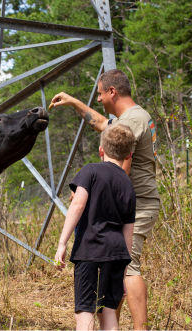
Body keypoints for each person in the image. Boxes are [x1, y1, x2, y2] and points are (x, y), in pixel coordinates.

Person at [51, 69, 160, 330]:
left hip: (136, 203)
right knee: (117, 268)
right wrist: (74, 102)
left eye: (99, 93)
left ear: (112, 91)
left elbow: (123, 166)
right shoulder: (132, 117)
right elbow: (102, 125)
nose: (99, 99)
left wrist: (96, 192)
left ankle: (140, 328)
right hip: (133, 203)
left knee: (129, 265)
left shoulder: (131, 122)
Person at [55, 124, 136, 331]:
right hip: (117, 254)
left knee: (85, 311)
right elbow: (129, 234)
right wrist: (124, 273)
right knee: (108, 313)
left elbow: (78, 204)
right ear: (129, 155)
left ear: (101, 150)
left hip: (90, 250)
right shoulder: (128, 185)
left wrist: (62, 243)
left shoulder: (90, 170)